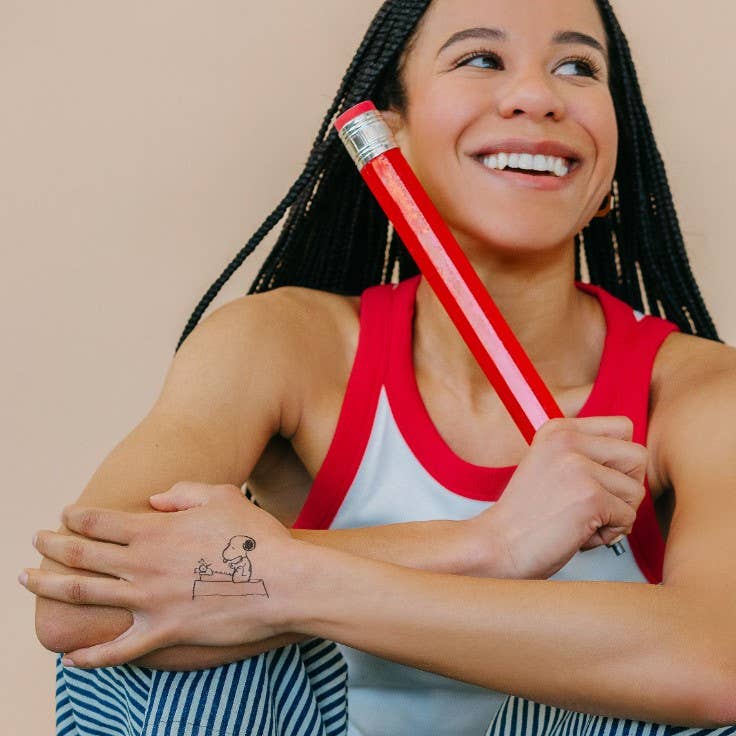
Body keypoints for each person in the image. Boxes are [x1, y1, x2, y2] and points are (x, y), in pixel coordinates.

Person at [20, 0, 736, 733]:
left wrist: (284, 578)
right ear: (391, 135)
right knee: (174, 637)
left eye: (577, 66)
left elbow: (720, 663)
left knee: (669, 660)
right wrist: (487, 544)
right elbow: (85, 605)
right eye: (481, 58)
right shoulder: (285, 345)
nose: (537, 95)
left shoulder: (701, 394)